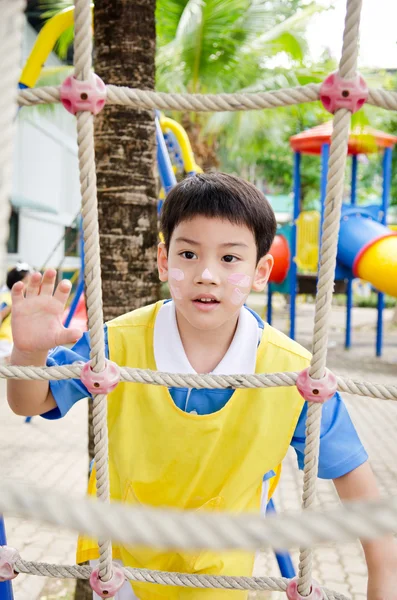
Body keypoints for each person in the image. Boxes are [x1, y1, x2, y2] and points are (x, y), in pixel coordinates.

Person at [7, 173, 397, 600]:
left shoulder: (296, 377)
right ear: (163, 260)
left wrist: (383, 574)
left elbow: (360, 492)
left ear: (260, 271)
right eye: (188, 253)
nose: (207, 274)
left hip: (219, 564)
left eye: (230, 259)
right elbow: (30, 401)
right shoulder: (117, 343)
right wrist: (28, 356)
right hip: (119, 552)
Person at [0, 263, 32, 363]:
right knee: (13, 364)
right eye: (26, 282)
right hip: (4, 338)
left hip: (10, 337)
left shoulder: (14, 298)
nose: (28, 286)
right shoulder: (8, 298)